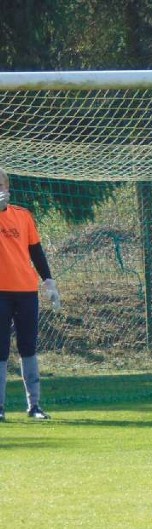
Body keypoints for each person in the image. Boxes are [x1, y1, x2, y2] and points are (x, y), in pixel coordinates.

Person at [0, 168, 60, 422]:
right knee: (0, 349)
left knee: (28, 347)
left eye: (0, 183)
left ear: (8, 186)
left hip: (25, 291)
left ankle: (34, 405)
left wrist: (49, 282)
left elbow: (36, 251)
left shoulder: (23, 216)